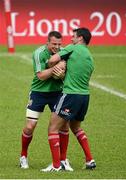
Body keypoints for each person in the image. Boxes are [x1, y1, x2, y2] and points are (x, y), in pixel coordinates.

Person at [41, 27, 96, 172]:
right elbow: (83, 77)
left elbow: (51, 60)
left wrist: (57, 65)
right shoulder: (90, 57)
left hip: (70, 95)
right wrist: (64, 75)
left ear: (80, 39)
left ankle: (56, 165)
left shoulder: (73, 48)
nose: (71, 39)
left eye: (73, 36)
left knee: (53, 128)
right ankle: (90, 160)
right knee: (75, 127)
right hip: (85, 97)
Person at [19, 31, 73, 171]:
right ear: (47, 42)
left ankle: (63, 160)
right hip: (38, 93)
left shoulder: (64, 53)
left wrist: (61, 74)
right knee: (30, 126)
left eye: (59, 44)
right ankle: (23, 155)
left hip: (57, 93)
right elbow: (41, 76)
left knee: (64, 126)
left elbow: (67, 75)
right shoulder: (39, 53)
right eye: (54, 44)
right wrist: (56, 68)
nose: (57, 47)